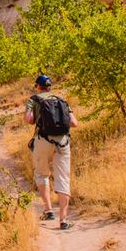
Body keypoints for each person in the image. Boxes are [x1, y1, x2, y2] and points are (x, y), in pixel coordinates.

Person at [25, 74, 79, 230]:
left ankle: (48, 211)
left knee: (41, 174)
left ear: (38, 86)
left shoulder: (34, 100)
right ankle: (63, 220)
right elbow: (74, 122)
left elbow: (29, 119)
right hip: (63, 142)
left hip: (43, 140)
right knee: (63, 179)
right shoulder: (61, 99)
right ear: (50, 86)